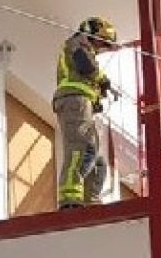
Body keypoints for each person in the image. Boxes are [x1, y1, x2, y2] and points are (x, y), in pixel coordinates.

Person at [53, 16, 119, 209]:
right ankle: (70, 200)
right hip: (75, 102)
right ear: (91, 33)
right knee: (80, 149)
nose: (102, 48)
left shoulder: (81, 49)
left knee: (97, 160)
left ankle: (90, 200)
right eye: (102, 42)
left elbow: (85, 71)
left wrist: (98, 94)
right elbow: (86, 65)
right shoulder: (76, 44)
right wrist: (102, 81)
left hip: (80, 103)